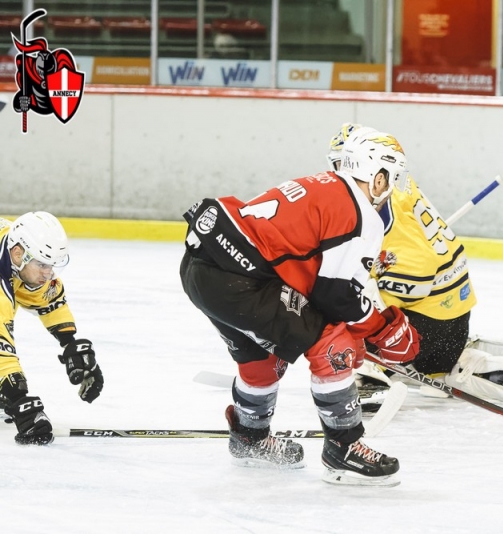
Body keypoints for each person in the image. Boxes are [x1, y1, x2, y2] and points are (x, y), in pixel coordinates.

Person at [179, 129, 420, 487]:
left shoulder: (324, 185)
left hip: (203, 271)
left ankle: (250, 436)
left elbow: (313, 284)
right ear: (377, 174)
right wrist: (381, 329)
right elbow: (333, 294)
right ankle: (345, 447)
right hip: (242, 284)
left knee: (262, 358)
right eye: (391, 177)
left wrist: (357, 324)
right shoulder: (359, 211)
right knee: (332, 347)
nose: (391, 188)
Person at [327, 123, 503, 404]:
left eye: (345, 165)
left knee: (348, 304)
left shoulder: (388, 222)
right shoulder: (396, 195)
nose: (340, 175)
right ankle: (438, 368)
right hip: (451, 325)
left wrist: (362, 292)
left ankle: (370, 378)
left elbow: (412, 284)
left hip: (430, 333)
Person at [0, 212, 104, 445]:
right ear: (18, 254)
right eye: (42, 265)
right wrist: (19, 399)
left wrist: (70, 343)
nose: (48, 274)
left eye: (52, 265)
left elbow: (46, 298)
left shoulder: (14, 248)